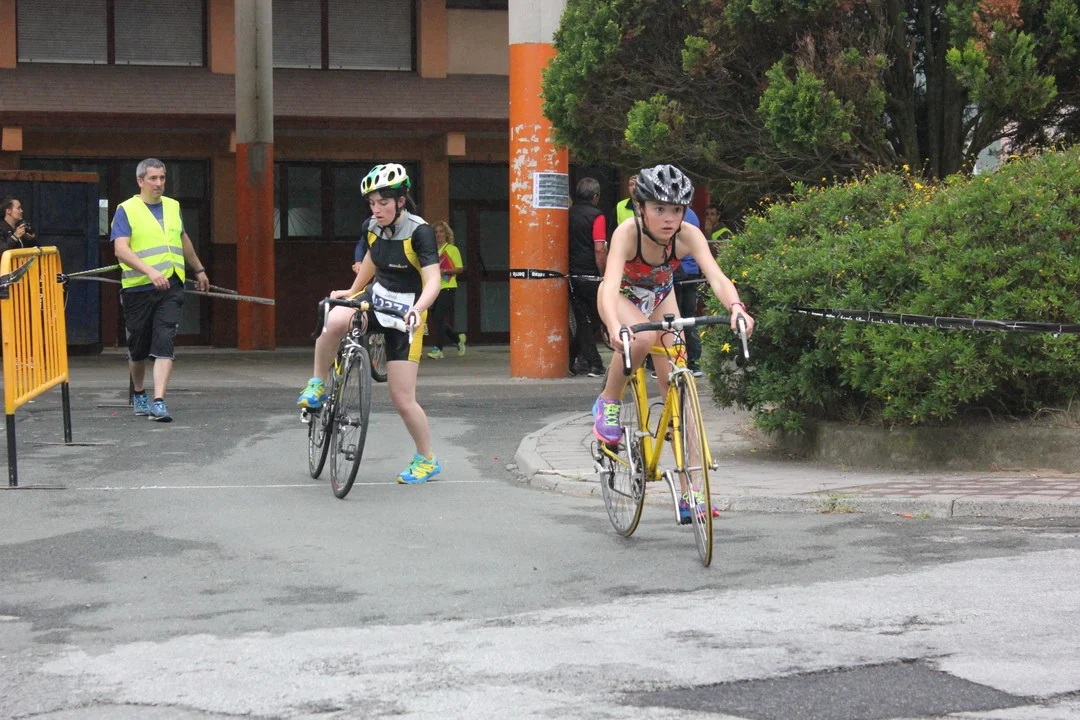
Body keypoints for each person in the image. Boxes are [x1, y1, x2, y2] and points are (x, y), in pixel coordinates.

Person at [593, 164, 754, 518]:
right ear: (641, 208)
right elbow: (609, 284)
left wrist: (737, 308)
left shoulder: (688, 235)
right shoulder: (627, 233)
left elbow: (717, 277)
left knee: (680, 394)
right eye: (659, 208)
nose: (669, 218)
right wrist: (613, 325)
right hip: (620, 295)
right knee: (641, 338)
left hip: (660, 296)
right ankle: (608, 401)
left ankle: (690, 493)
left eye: (677, 209)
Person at [297, 163, 444, 484]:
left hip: (407, 314)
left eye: (383, 203)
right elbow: (371, 258)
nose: (376, 209)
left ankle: (426, 459)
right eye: (372, 203)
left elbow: (434, 280)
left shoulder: (420, 232)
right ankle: (317, 383)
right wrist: (352, 291)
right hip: (377, 299)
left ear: (401, 201)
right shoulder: (372, 226)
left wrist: (419, 309)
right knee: (335, 317)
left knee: (402, 399)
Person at [111, 158, 210, 423]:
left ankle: (159, 401)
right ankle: (139, 393)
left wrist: (198, 268)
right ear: (140, 181)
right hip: (138, 288)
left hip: (171, 285)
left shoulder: (173, 206)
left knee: (165, 340)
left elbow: (182, 238)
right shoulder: (126, 209)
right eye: (153, 178)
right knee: (138, 347)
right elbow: (121, 249)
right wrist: (150, 271)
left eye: (162, 178)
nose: (158, 183)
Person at [568, 177, 607, 377]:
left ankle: (571, 357)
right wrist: (604, 273)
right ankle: (595, 363)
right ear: (596, 196)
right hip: (591, 275)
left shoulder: (567, 214)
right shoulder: (597, 216)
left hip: (572, 274)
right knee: (596, 319)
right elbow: (599, 249)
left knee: (583, 319)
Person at [426, 221, 466, 359]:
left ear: (447, 234)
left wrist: (444, 271)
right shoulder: (430, 250)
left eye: (441, 232)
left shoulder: (452, 249)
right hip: (433, 286)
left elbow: (459, 269)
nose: (439, 234)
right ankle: (457, 339)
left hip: (448, 286)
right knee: (435, 317)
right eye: (436, 232)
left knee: (438, 316)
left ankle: (438, 349)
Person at [673, 206, 704, 376]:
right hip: (692, 271)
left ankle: (679, 359)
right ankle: (694, 361)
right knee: (689, 317)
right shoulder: (692, 215)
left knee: (675, 319)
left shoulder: (673, 216)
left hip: (677, 272)